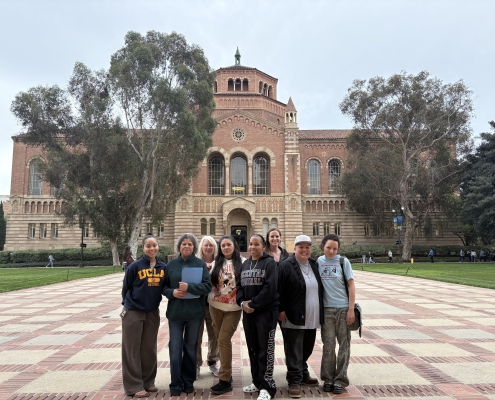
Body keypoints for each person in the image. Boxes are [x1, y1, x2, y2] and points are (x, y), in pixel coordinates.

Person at [162, 233, 212, 396]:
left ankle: (188, 381)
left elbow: (207, 286)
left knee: (191, 348)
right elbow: (163, 288)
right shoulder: (171, 265)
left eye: (190, 244)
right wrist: (172, 293)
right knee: (175, 348)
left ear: (194, 247)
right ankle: (176, 383)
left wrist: (189, 288)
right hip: (176, 314)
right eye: (184, 244)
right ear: (179, 247)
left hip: (194, 314)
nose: (187, 246)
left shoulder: (200, 264)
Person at [121, 234, 166, 397]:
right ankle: (133, 386)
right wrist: (128, 305)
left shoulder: (162, 267)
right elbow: (125, 289)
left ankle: (148, 382)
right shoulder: (135, 266)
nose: (152, 248)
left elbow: (165, 287)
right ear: (143, 248)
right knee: (131, 350)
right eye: (148, 246)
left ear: (158, 247)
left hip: (152, 312)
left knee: (148, 349)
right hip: (134, 312)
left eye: (154, 245)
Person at [278, 235, 323, 398]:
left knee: (307, 348)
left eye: (307, 247)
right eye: (301, 247)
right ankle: (294, 381)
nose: (304, 250)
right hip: (293, 316)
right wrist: (280, 309)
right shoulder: (286, 266)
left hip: (312, 317)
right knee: (294, 350)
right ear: (294, 248)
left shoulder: (313, 264)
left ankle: (303, 373)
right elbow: (278, 290)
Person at [237, 234, 279, 400]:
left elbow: (270, 288)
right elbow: (239, 286)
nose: (252, 247)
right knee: (253, 347)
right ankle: (257, 381)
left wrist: (252, 304)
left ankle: (267, 387)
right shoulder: (246, 264)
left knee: (265, 349)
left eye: (256, 244)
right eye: (250, 244)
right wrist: (242, 303)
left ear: (263, 246)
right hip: (248, 313)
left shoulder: (269, 263)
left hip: (266, 313)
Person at [317, 234, 356, 395]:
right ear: (322, 247)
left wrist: (351, 309)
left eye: (334, 248)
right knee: (328, 346)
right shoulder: (319, 261)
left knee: (344, 346)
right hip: (326, 310)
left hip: (342, 309)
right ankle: (328, 378)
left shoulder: (343, 262)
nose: (331, 251)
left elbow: (351, 286)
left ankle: (340, 379)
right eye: (328, 248)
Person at [208, 235, 246, 394]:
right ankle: (226, 372)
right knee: (220, 339)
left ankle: (224, 379)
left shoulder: (243, 262)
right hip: (215, 306)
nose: (225, 248)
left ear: (234, 246)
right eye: (223, 245)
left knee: (223, 340)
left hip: (233, 308)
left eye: (228, 245)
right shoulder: (216, 262)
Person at [195, 236, 220, 380]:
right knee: (196, 337)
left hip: (214, 305)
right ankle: (196, 364)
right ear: (201, 247)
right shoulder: (196, 262)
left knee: (214, 335)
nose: (209, 247)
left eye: (211, 245)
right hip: (198, 305)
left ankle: (212, 361)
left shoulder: (220, 263)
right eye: (206, 245)